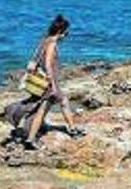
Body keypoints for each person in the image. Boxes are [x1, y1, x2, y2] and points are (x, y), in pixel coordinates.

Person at [5, 14, 83, 149]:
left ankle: (71, 129)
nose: (67, 35)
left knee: (62, 102)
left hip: (43, 81)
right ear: (60, 32)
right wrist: (52, 84)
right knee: (43, 111)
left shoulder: (44, 40)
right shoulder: (52, 44)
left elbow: (35, 59)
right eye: (66, 32)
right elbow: (47, 65)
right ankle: (30, 139)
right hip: (48, 82)